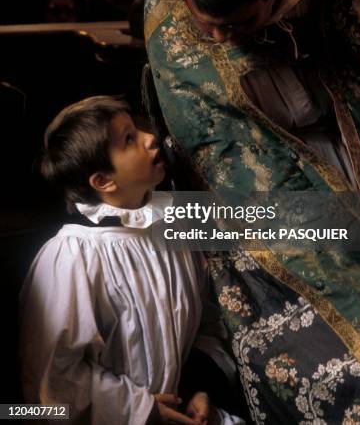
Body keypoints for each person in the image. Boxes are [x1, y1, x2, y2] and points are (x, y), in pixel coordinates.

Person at [144, 0, 360, 423]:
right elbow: (221, 153)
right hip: (255, 217)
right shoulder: (172, 13)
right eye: (205, 19)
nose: (218, 39)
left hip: (351, 162)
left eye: (237, 25)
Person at [19, 96, 245, 425]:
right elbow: (50, 382)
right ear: (103, 181)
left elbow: (206, 323)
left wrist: (200, 388)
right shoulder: (72, 258)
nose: (150, 138)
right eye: (129, 139)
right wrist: (140, 409)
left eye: (137, 129)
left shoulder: (174, 225)